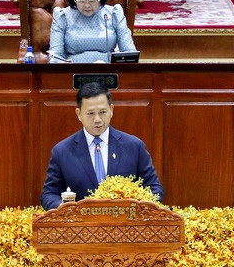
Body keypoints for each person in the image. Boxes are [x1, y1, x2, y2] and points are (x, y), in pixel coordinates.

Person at [40, 82, 164, 210]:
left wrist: (136, 207)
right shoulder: (62, 151)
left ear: (111, 110)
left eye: (102, 112)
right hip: (80, 226)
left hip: (125, 224)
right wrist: (67, 210)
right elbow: (49, 194)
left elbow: (155, 188)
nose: (97, 119)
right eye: (90, 113)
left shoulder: (134, 146)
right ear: (78, 114)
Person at [49, 0, 136, 63]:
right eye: (81, 0)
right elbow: (55, 57)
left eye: (93, 0)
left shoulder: (114, 14)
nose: (87, 5)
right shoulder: (63, 16)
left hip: (108, 73)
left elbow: (130, 54)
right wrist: (63, 64)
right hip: (74, 74)